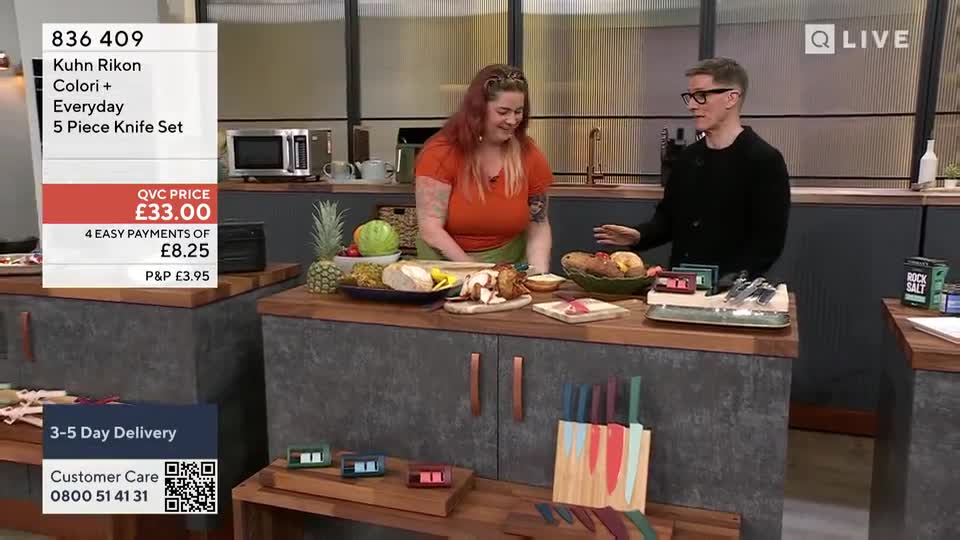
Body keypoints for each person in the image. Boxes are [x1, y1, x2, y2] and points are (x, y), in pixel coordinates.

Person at [594, 57, 790, 281]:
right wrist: (639, 236)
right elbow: (668, 219)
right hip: (680, 285)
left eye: (701, 95)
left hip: (729, 294)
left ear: (731, 98)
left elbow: (768, 243)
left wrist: (728, 283)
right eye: (691, 96)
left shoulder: (764, 159)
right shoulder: (688, 158)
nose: (692, 105)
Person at [414, 64, 553, 274]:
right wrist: (478, 272)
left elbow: (539, 224)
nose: (512, 120)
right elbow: (431, 229)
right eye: (503, 111)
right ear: (477, 111)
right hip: (446, 269)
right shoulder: (440, 153)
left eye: (518, 112)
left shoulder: (529, 154)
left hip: (508, 269)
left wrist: (539, 274)